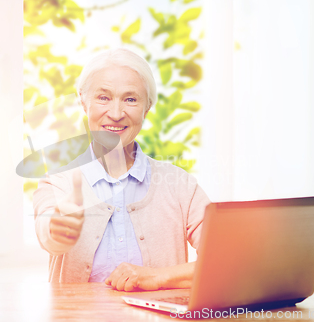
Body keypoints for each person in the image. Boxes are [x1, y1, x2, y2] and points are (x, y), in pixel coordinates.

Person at [33, 48, 210, 291]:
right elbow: (47, 232)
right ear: (83, 101)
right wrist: (56, 227)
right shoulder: (58, 181)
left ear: (147, 108)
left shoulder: (180, 185)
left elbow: (227, 261)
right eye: (103, 98)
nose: (116, 114)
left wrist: (158, 277)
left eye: (130, 99)